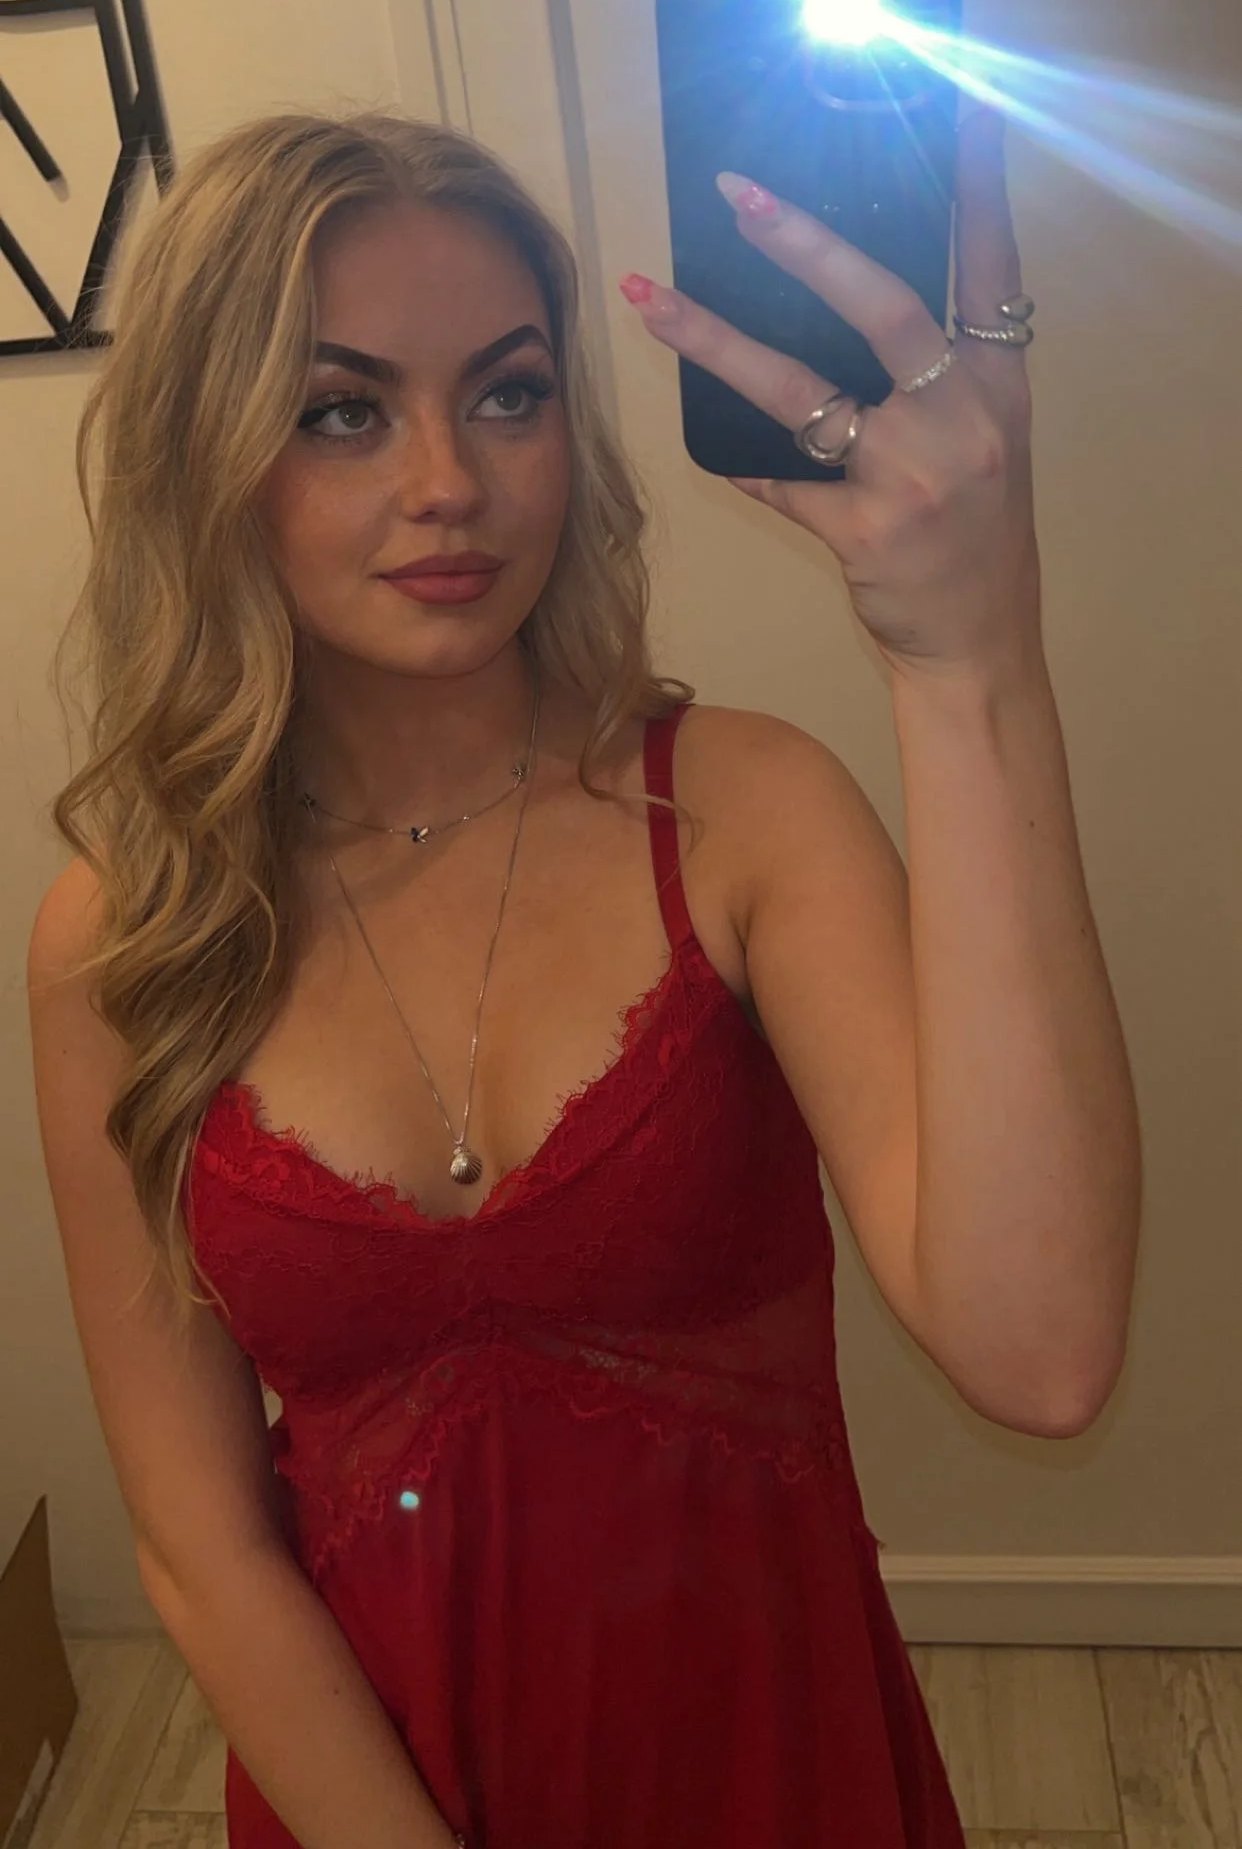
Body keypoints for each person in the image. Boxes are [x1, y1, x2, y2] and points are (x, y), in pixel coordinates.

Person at [27, 108, 1141, 1849]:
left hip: (772, 1774)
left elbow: (1041, 1354)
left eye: (508, 392)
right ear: (209, 454)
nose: (448, 482)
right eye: (341, 411)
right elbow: (200, 1544)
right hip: (367, 1796)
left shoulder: (740, 814)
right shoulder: (130, 934)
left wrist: (970, 652)